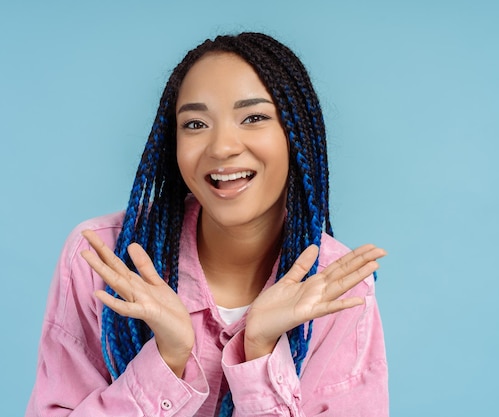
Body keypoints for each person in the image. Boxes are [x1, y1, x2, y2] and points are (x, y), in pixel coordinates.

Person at [26, 32, 388, 417]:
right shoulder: (101, 259)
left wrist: (261, 353)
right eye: (195, 124)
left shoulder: (335, 290)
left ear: (295, 135)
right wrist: (165, 361)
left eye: (254, 117)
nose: (221, 147)